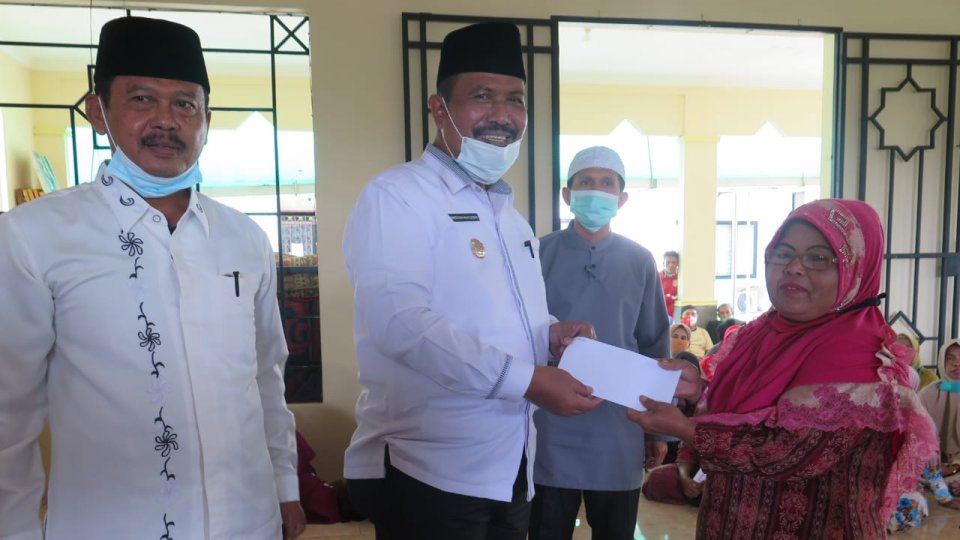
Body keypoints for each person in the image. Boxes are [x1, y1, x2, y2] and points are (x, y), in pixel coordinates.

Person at [0, 16, 304, 539]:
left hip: (247, 522)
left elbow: (265, 376)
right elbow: (9, 412)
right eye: (141, 99)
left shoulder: (245, 238)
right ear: (98, 111)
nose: (166, 120)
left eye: (185, 104)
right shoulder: (35, 235)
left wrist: (286, 487)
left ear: (206, 119)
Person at [341, 22, 602, 539]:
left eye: (515, 99)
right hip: (430, 469)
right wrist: (528, 380)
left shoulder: (511, 218)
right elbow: (400, 322)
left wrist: (549, 332)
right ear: (439, 108)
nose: (502, 115)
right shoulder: (398, 195)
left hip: (511, 463)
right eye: (482, 96)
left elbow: (496, 314)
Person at [627, 199, 939, 538]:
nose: (793, 268)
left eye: (818, 258)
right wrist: (700, 391)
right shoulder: (761, 334)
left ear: (856, 270)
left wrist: (686, 429)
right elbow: (749, 412)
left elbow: (786, 454)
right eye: (783, 253)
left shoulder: (860, 358)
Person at [529, 146, 670, 540]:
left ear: (621, 199)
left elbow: (655, 344)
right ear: (567, 194)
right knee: (546, 530)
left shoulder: (640, 260)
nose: (596, 190)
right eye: (586, 182)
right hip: (549, 423)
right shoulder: (537, 254)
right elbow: (519, 333)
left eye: (606, 183)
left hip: (618, 427)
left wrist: (658, 429)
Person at [919, 339, 960, 488]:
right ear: (942, 361)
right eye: (950, 358)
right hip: (935, 463)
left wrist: (955, 466)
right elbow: (917, 437)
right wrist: (935, 463)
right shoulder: (928, 394)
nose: (956, 363)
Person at [660, 251, 680, 321]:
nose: (670, 265)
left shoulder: (681, 278)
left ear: (677, 264)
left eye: (673, 262)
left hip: (675, 316)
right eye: (668, 262)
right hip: (660, 313)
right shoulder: (657, 277)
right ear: (663, 263)